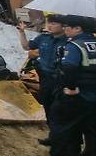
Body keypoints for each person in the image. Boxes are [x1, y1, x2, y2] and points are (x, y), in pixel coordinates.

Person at [16, 14, 67, 146]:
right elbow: (27, 47)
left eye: (54, 23)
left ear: (63, 26)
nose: (50, 25)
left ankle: (61, 139)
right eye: (48, 22)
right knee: (48, 108)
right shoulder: (43, 38)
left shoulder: (68, 41)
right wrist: (22, 32)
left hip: (60, 80)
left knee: (59, 111)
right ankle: (53, 136)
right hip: (44, 78)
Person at [49, 15, 96, 156]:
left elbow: (69, 66)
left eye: (67, 26)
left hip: (76, 97)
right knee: (92, 131)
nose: (65, 29)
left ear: (77, 28)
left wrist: (70, 88)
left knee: (65, 131)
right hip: (93, 97)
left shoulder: (75, 45)